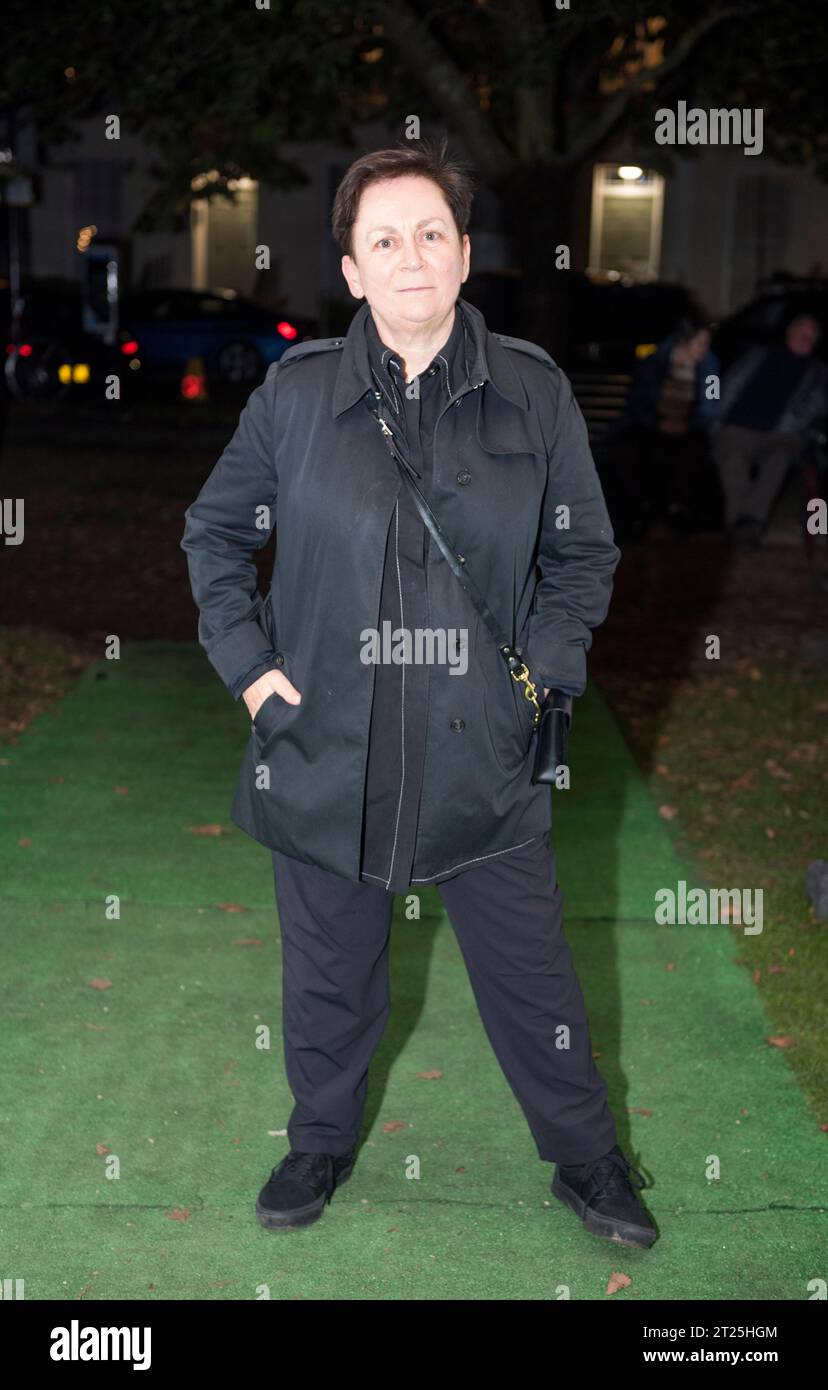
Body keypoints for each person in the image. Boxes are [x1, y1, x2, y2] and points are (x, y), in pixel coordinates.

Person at [180, 138, 656, 1250]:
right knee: (331, 973)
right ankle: (320, 1141)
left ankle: (587, 1158)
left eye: (429, 234)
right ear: (350, 268)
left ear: (464, 255)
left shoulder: (532, 392)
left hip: (478, 742)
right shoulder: (295, 397)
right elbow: (214, 533)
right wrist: (253, 673)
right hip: (326, 740)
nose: (410, 257)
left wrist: (548, 670)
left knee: (532, 971)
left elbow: (583, 556)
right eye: (383, 239)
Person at [711, 313, 828, 548]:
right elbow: (729, 384)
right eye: (802, 329)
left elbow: (816, 406)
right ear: (790, 333)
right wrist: (716, 418)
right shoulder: (756, 355)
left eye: (812, 331)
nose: (807, 334)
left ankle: (749, 523)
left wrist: (790, 427)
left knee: (778, 460)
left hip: (783, 435)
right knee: (733, 458)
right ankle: (744, 526)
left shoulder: (818, 371)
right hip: (738, 427)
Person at [607, 317, 721, 539]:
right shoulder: (654, 362)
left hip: (688, 426)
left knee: (692, 453)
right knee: (628, 451)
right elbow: (638, 401)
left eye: (707, 344)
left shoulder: (710, 366)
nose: (704, 350)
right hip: (651, 424)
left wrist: (688, 424)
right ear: (683, 342)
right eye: (699, 343)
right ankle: (642, 508)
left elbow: (711, 405)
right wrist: (658, 423)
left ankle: (675, 510)